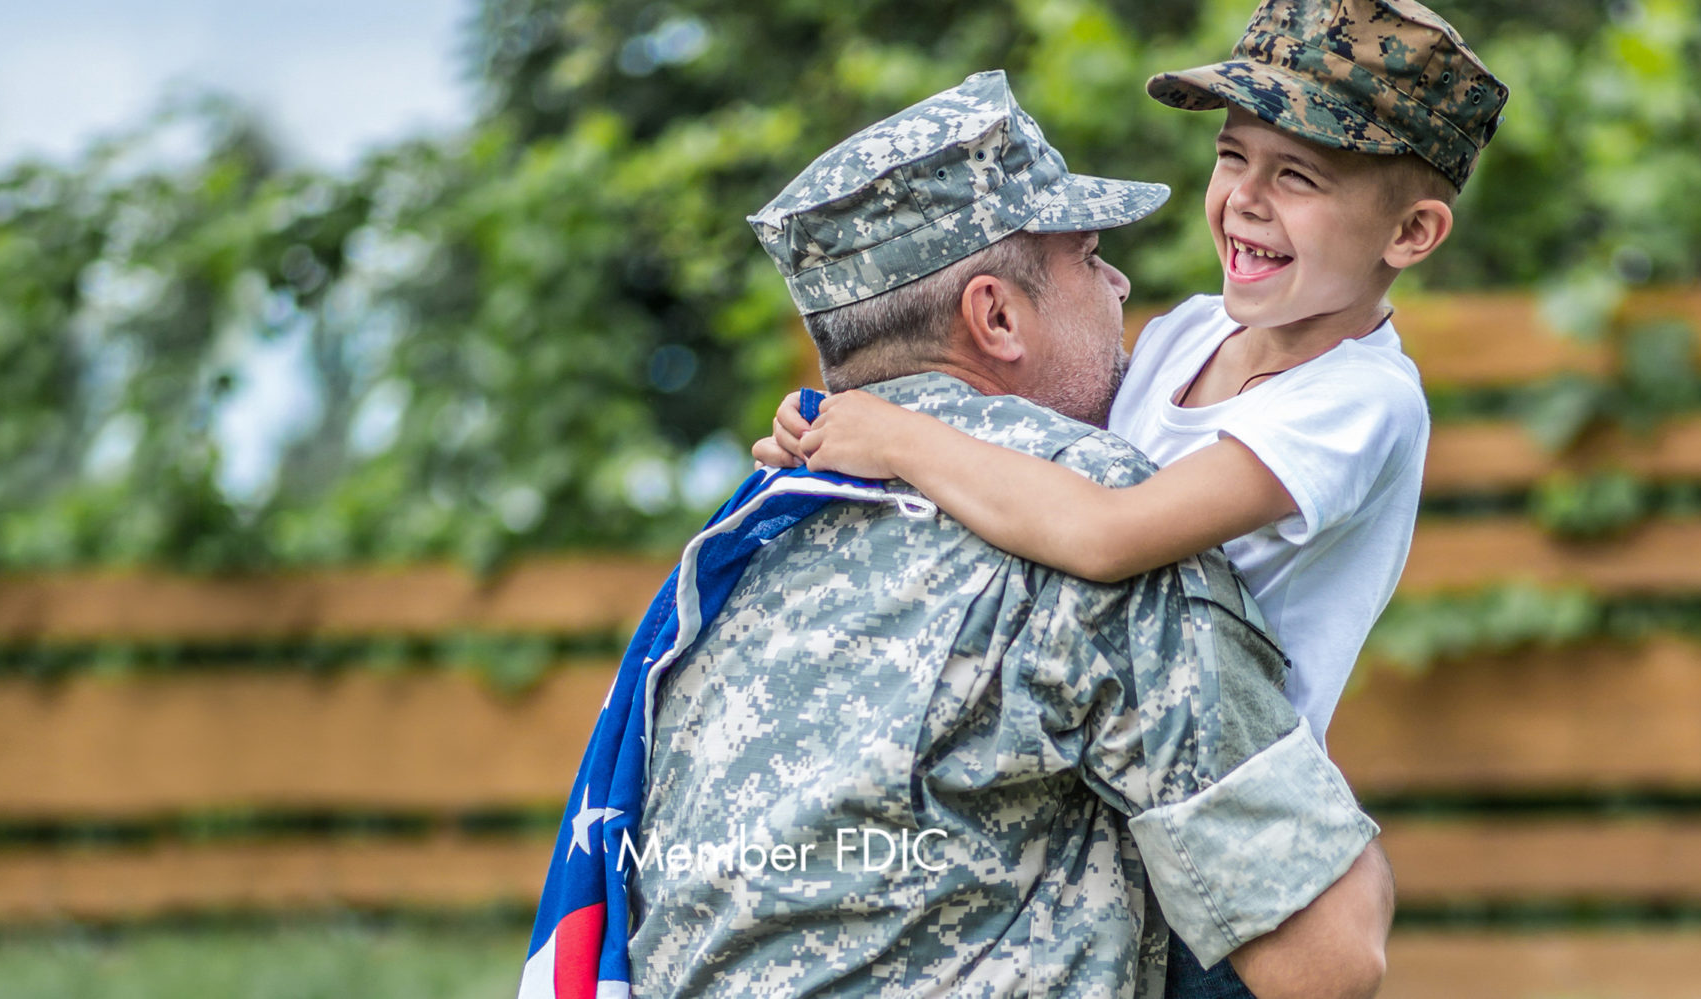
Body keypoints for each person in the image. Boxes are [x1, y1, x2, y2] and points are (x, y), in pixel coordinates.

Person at [576, 69, 1393, 999]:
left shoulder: (748, 539)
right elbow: (1328, 963)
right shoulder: (1082, 509)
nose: (1124, 283)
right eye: (1089, 256)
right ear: (996, 316)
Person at [757, 0, 1506, 755]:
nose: (1245, 197)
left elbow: (1109, 533)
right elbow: (1028, 451)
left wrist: (899, 438)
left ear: (1411, 232)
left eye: (1298, 177)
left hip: (1208, 781)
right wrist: (834, 426)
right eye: (1233, 156)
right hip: (1101, 727)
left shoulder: (1358, 401)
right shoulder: (1192, 330)